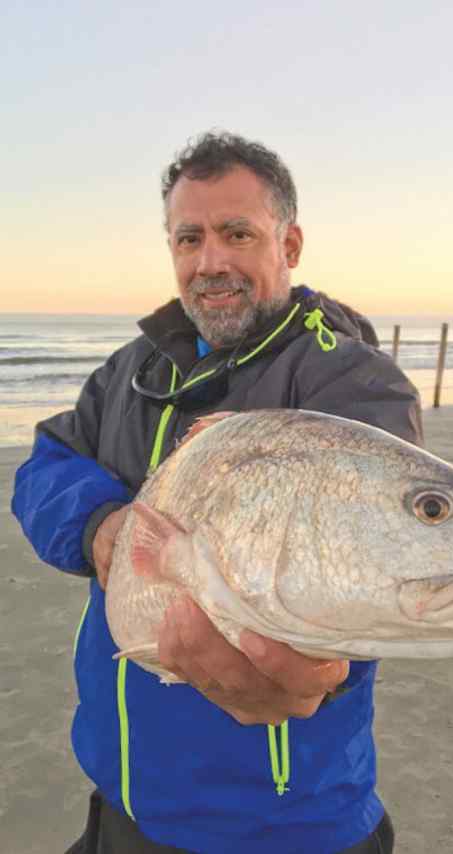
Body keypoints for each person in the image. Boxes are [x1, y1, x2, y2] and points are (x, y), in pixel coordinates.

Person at [12, 131, 424, 854]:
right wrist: (104, 528)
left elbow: (375, 561)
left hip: (285, 823)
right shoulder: (131, 370)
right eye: (189, 238)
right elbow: (44, 463)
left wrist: (319, 678)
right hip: (123, 795)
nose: (211, 263)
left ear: (289, 244)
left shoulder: (347, 382)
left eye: (238, 233)